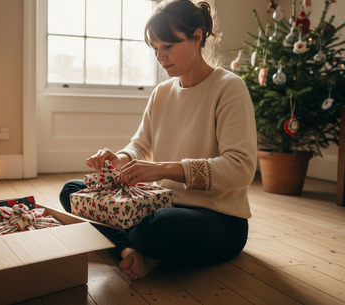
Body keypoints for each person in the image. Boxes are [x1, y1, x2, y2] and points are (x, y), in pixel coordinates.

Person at [59, 0, 257, 280]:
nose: (159, 56)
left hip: (219, 220)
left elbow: (241, 168)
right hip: (159, 204)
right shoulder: (162, 92)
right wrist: (119, 159)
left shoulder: (229, 88)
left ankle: (130, 244)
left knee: (159, 226)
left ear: (197, 37)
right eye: (154, 48)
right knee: (73, 192)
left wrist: (164, 169)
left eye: (168, 46)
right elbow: (139, 146)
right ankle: (133, 251)